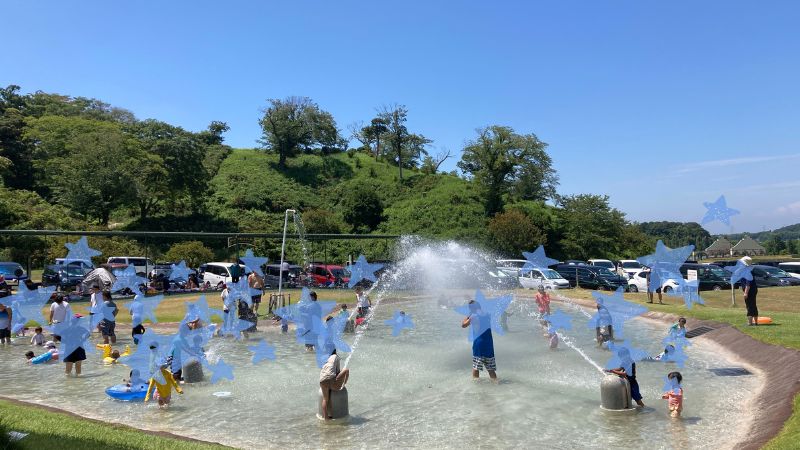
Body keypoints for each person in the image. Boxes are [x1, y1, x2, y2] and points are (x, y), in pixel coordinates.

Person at [461, 300, 497, 379]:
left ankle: (476, 386)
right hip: (489, 344)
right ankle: (496, 384)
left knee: (476, 367)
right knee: (490, 369)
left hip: (479, 344)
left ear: (471, 309)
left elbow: (463, 325)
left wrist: (468, 316)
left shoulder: (473, 316)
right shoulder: (487, 314)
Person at [319, 349, 350, 420]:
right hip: (332, 380)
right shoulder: (336, 357)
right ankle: (345, 383)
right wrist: (343, 383)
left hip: (322, 380)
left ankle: (326, 418)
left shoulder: (325, 358)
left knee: (325, 399)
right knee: (346, 370)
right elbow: (337, 372)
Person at [740, 257, 759, 326]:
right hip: (753, 290)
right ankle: (756, 322)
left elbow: (748, 284)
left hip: (750, 290)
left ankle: (750, 323)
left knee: (749, 305)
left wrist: (745, 293)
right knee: (753, 305)